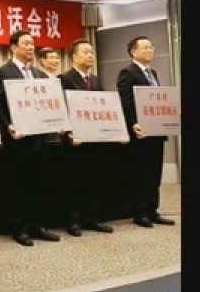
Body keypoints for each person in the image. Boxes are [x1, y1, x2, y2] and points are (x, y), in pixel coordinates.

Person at [0, 29, 61, 246]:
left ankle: (38, 226)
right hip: (17, 140)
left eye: (32, 43)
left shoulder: (39, 74)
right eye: (26, 44)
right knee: (18, 185)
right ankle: (20, 229)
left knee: (39, 184)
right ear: (14, 47)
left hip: (40, 139)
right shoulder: (3, 72)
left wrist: (57, 122)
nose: (31, 47)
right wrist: (8, 126)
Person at [116, 36, 175, 228]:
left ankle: (152, 210)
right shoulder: (127, 72)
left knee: (154, 172)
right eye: (145, 48)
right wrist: (133, 123)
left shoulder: (152, 72)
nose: (150, 51)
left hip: (156, 130)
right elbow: (125, 101)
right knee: (141, 173)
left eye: (151, 47)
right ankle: (140, 212)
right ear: (133, 51)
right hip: (140, 131)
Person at [58, 38, 114, 236]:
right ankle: (73, 220)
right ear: (74, 57)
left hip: (94, 139)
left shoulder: (96, 80)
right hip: (75, 140)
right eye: (86, 52)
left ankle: (92, 217)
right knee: (75, 180)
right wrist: (69, 131)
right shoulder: (64, 78)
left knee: (94, 179)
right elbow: (61, 107)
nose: (91, 55)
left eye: (92, 52)